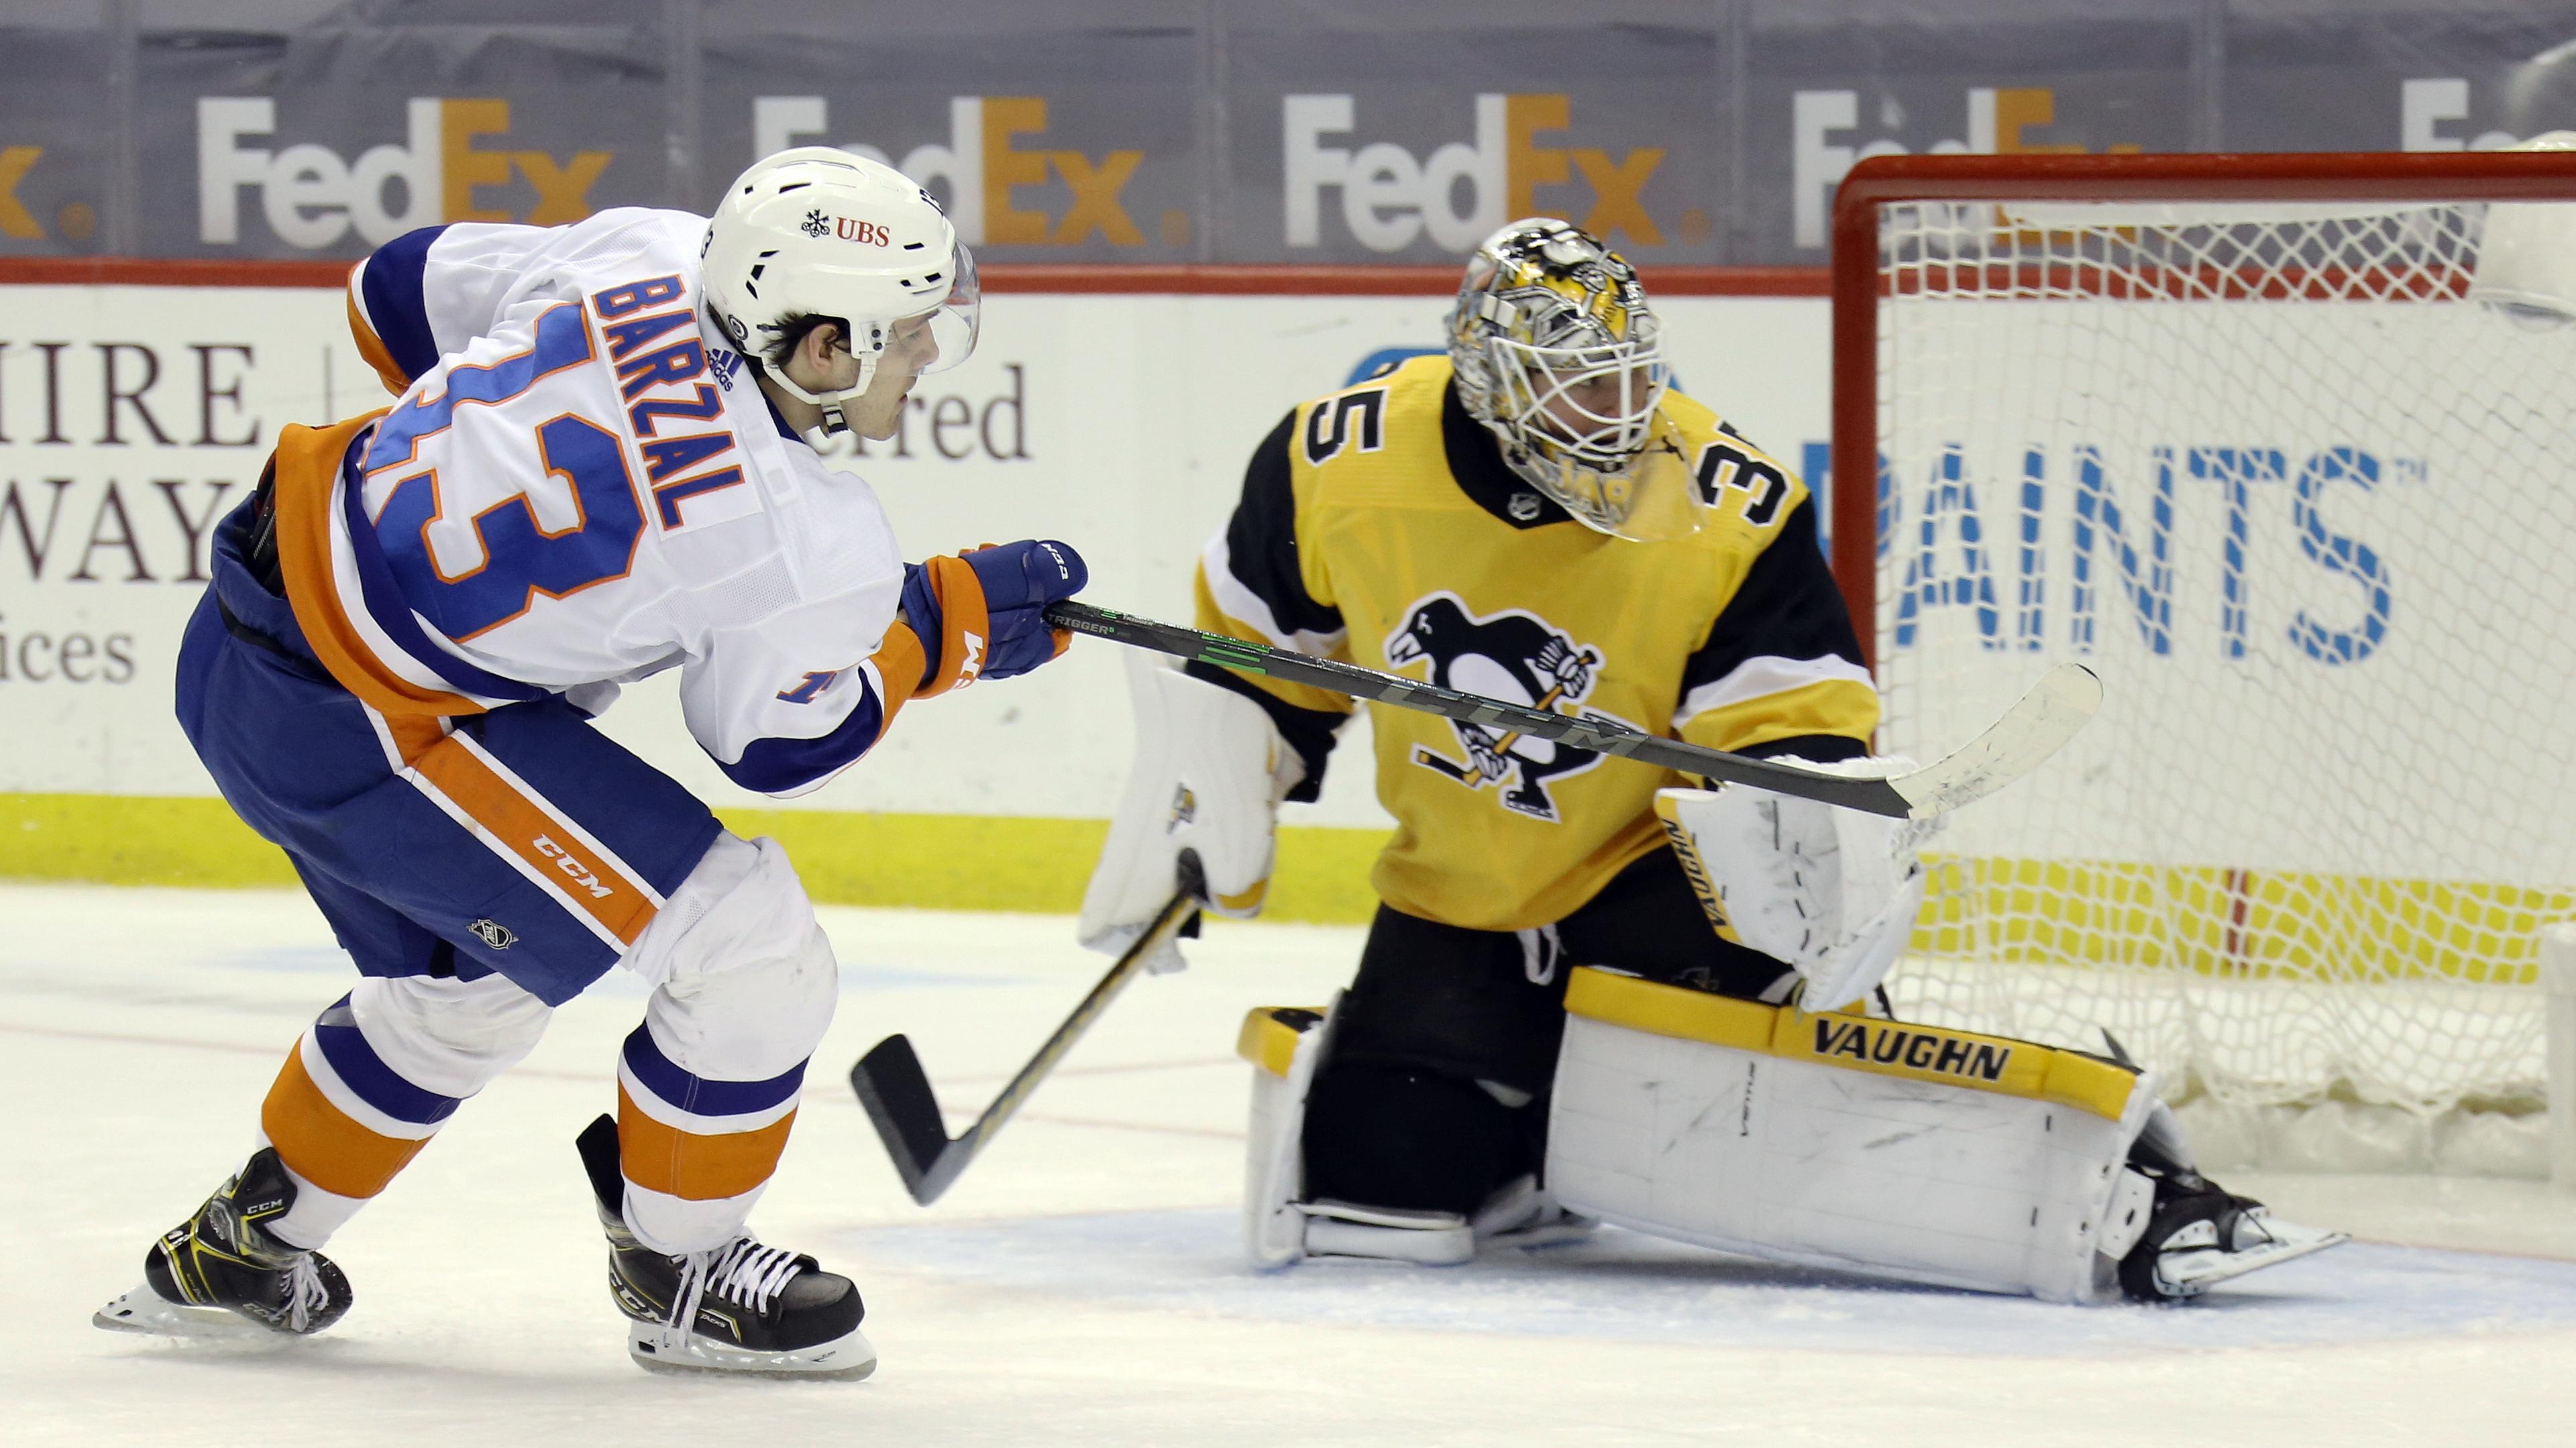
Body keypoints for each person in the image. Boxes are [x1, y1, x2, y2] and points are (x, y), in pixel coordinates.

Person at [1078, 217, 2337, 1302]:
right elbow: (1259, 668)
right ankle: (1545, 1130)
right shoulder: (1332, 461)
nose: (1616, 421)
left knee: (1786, 1113)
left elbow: (1794, 739)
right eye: (1576, 393)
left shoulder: (1730, 502)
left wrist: (1819, 853)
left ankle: (2131, 1192)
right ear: (1487, 383)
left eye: (1629, 383)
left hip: (1664, 891)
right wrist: (1206, 805)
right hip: (1461, 903)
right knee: (1376, 1185)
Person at [92, 149, 1088, 1377]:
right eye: (910, 333)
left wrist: (492, 454)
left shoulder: (649, 253)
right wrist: (939, 632)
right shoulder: (797, 540)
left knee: (471, 985)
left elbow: (388, 293)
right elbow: (775, 744)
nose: (929, 356)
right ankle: (687, 1271)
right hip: (370, 728)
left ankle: (245, 1250)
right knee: (748, 944)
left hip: (247, 629)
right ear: (821, 347)